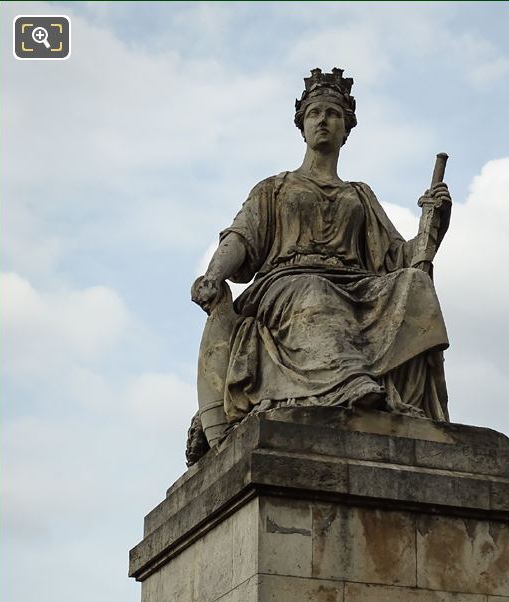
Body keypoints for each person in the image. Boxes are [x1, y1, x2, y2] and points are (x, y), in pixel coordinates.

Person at [188, 67, 452, 463]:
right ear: (303, 126)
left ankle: (394, 402)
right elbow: (241, 237)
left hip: (356, 284)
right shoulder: (275, 188)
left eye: (333, 114)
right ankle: (349, 384)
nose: (324, 120)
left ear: (346, 129)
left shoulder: (359, 194)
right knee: (314, 289)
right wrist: (213, 275)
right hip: (287, 283)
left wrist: (435, 226)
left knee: (415, 284)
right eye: (315, 114)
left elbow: (399, 257)